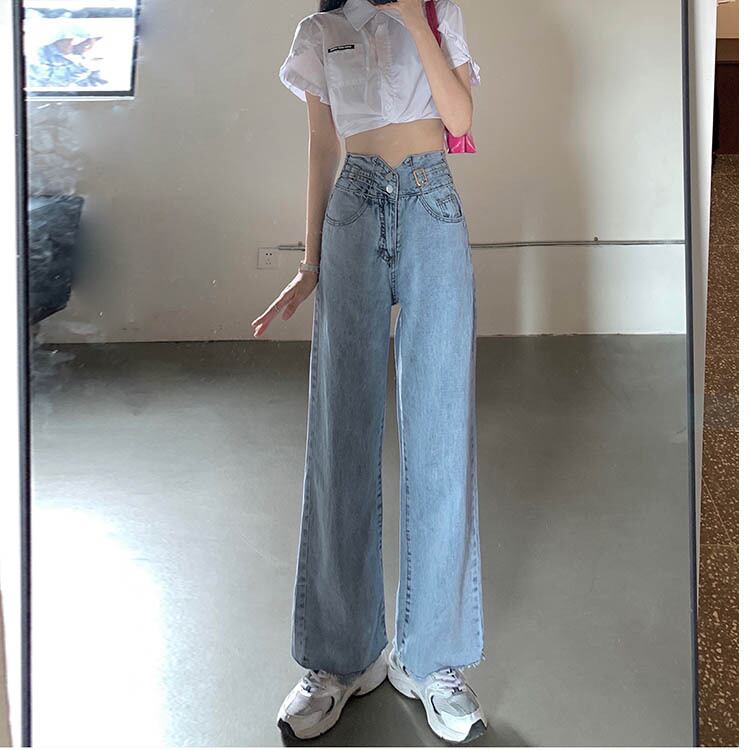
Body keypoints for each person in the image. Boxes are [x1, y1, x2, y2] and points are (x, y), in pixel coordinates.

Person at [251, 0, 486, 742]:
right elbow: (322, 146)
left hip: (431, 204)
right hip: (352, 211)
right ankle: (339, 658)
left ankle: (432, 660)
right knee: (341, 439)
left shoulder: (438, 12)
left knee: (441, 438)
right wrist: (309, 262)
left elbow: (459, 117)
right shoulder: (320, 32)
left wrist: (415, 18)